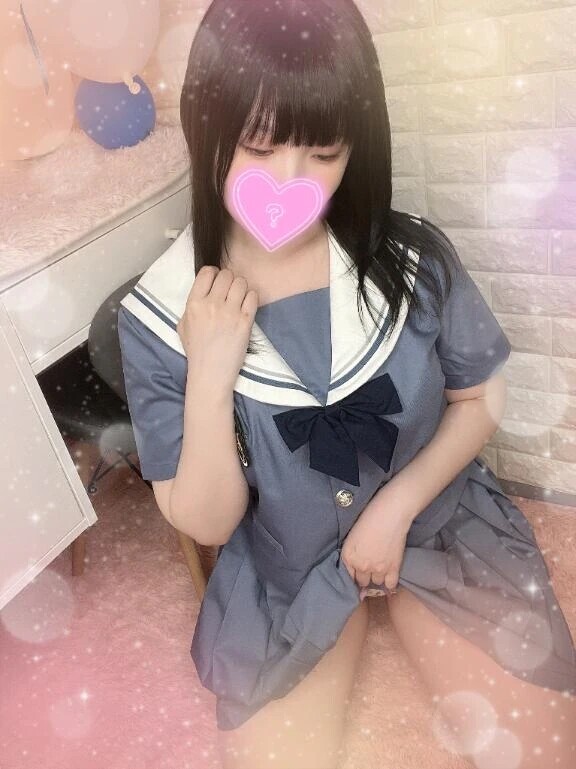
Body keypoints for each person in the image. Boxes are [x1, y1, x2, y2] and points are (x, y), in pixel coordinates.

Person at [117, 1, 576, 767]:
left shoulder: (413, 259)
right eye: (258, 147)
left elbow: (480, 396)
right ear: (206, 128)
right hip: (288, 567)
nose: (290, 183)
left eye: (324, 151)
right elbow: (208, 520)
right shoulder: (161, 315)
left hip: (436, 522)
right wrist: (211, 375)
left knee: (543, 751)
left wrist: (395, 506)